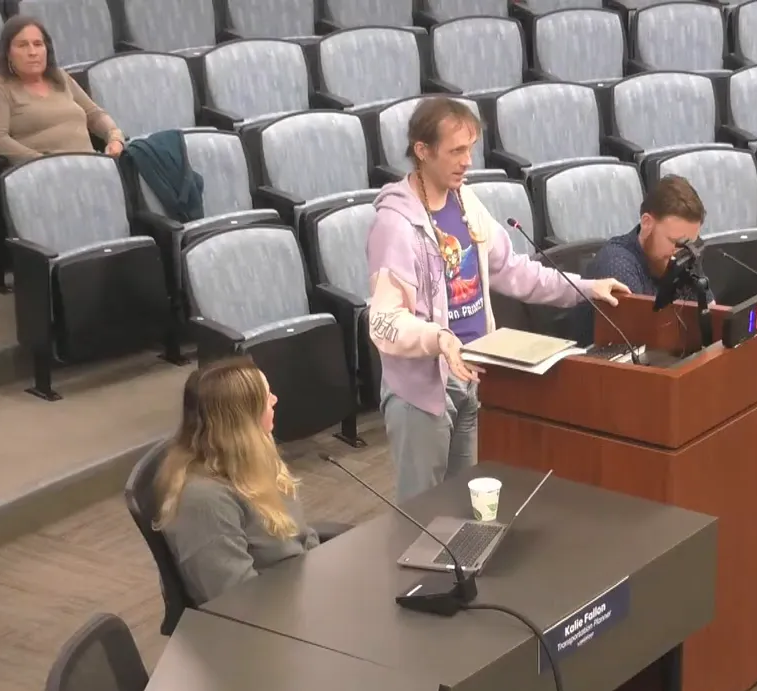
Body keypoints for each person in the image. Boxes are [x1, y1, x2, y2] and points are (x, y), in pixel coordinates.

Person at [366, 97, 629, 502]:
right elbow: (384, 320)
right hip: (421, 393)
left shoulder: (465, 202)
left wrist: (585, 288)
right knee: (421, 514)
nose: (467, 161)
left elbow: (514, 270)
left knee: (463, 503)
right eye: (456, 151)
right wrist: (440, 339)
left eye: (470, 149)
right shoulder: (396, 225)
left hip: (473, 374)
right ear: (422, 151)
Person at [153, 357, 319, 605]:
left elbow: (302, 534)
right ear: (243, 419)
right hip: (267, 615)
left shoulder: (256, 459)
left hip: (300, 590)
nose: (275, 400)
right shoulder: (203, 501)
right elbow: (236, 599)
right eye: (266, 397)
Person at [573, 176, 713, 346]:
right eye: (676, 242)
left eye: (690, 244)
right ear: (647, 223)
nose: (682, 252)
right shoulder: (617, 265)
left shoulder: (685, 254)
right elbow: (641, 345)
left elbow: (712, 317)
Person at [0, 16, 125, 164]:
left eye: (38, 44)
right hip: (46, 170)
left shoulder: (60, 77)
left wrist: (114, 137)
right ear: (8, 53)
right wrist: (41, 161)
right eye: (22, 45)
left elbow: (95, 115)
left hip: (92, 163)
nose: (32, 52)